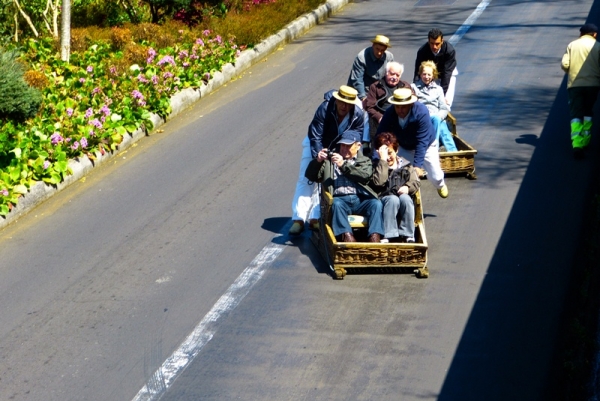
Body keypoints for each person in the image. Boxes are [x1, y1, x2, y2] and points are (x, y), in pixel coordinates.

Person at [289, 85, 365, 235]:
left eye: (348, 103)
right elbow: (315, 133)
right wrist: (319, 154)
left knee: (326, 181)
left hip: (337, 148)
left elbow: (356, 137)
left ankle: (315, 218)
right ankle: (298, 219)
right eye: (342, 102)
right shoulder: (325, 108)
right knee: (306, 178)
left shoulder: (358, 115)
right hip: (315, 144)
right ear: (336, 100)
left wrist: (344, 154)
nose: (344, 106)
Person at [305, 130, 384, 243]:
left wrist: (343, 165)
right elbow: (310, 176)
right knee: (336, 204)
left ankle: (374, 236)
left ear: (358, 146)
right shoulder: (330, 161)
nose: (344, 149)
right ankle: (347, 236)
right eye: (342, 145)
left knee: (376, 204)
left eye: (348, 146)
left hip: (360, 199)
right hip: (340, 199)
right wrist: (318, 161)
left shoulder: (365, 161)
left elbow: (364, 176)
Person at [376, 87, 449, 198]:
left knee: (436, 176)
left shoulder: (421, 112)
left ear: (411, 104)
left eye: (403, 107)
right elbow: (380, 135)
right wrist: (376, 157)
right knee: (401, 175)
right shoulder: (390, 113)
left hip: (427, 145)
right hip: (404, 146)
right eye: (397, 106)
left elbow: (422, 141)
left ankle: (440, 184)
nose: (400, 110)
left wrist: (417, 166)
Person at [371, 132, 420, 243]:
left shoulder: (406, 165)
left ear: (396, 150)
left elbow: (415, 182)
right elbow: (379, 182)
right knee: (393, 199)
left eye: (390, 153)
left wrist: (408, 187)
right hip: (384, 197)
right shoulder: (376, 166)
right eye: (384, 154)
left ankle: (408, 234)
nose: (388, 157)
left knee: (406, 199)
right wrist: (382, 161)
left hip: (402, 196)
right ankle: (389, 234)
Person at [561, 23, 600, 157]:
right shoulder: (598, 46)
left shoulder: (572, 45)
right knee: (588, 110)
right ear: (594, 34)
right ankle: (586, 139)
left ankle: (577, 143)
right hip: (593, 85)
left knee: (576, 113)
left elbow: (565, 64)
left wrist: (571, 73)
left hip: (575, 85)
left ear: (581, 34)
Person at [347, 35, 394, 145]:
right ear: (373, 45)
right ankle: (363, 141)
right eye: (377, 49)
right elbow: (357, 80)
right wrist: (363, 97)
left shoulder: (389, 57)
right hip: (361, 91)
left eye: (382, 50)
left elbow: (389, 76)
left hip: (379, 91)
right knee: (363, 111)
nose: (379, 53)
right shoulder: (362, 57)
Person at [411, 60, 457, 152]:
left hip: (436, 117)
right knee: (437, 123)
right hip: (421, 118)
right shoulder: (414, 87)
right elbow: (413, 106)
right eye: (424, 74)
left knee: (442, 128)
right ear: (420, 74)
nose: (426, 77)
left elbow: (444, 108)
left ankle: (454, 153)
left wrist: (439, 117)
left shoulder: (438, 89)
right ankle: (433, 147)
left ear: (433, 76)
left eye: (429, 74)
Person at [364, 61, 412, 138]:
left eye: (397, 75)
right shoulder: (375, 86)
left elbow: (413, 102)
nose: (395, 77)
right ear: (386, 73)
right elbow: (370, 107)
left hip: (401, 116)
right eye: (392, 74)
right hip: (382, 116)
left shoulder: (406, 86)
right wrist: (379, 117)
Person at [414, 28, 457, 107]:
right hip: (430, 73)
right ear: (428, 41)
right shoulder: (422, 51)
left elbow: (446, 75)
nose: (434, 46)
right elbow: (418, 72)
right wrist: (414, 90)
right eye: (432, 43)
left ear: (442, 41)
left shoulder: (449, 51)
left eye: (437, 44)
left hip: (448, 73)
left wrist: (442, 96)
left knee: (445, 101)